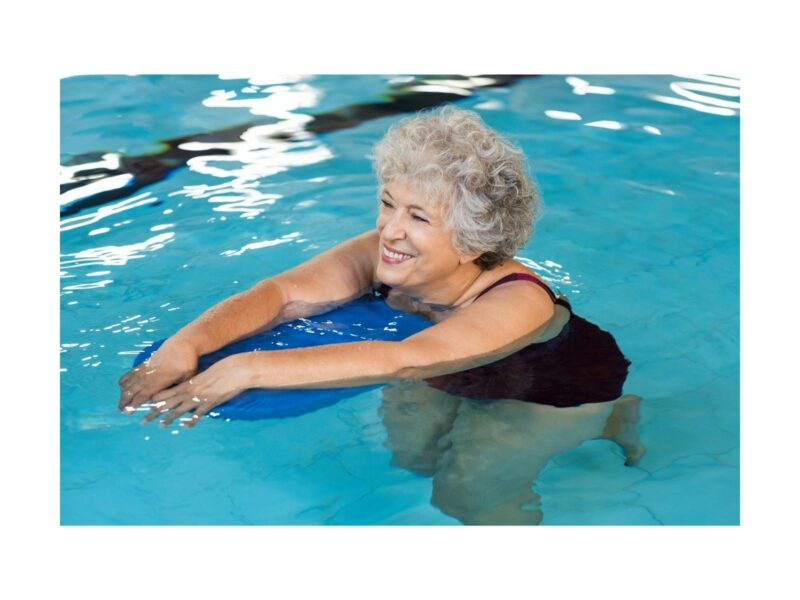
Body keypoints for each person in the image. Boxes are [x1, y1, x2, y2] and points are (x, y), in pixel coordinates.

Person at [118, 105, 630, 429]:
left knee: (469, 492)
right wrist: (186, 344)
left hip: (551, 388)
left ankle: (608, 418)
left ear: (473, 242)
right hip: (449, 372)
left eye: (419, 216)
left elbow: (405, 358)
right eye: (389, 203)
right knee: (413, 459)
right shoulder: (386, 250)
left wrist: (246, 367)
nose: (389, 230)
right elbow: (283, 295)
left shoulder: (517, 300)